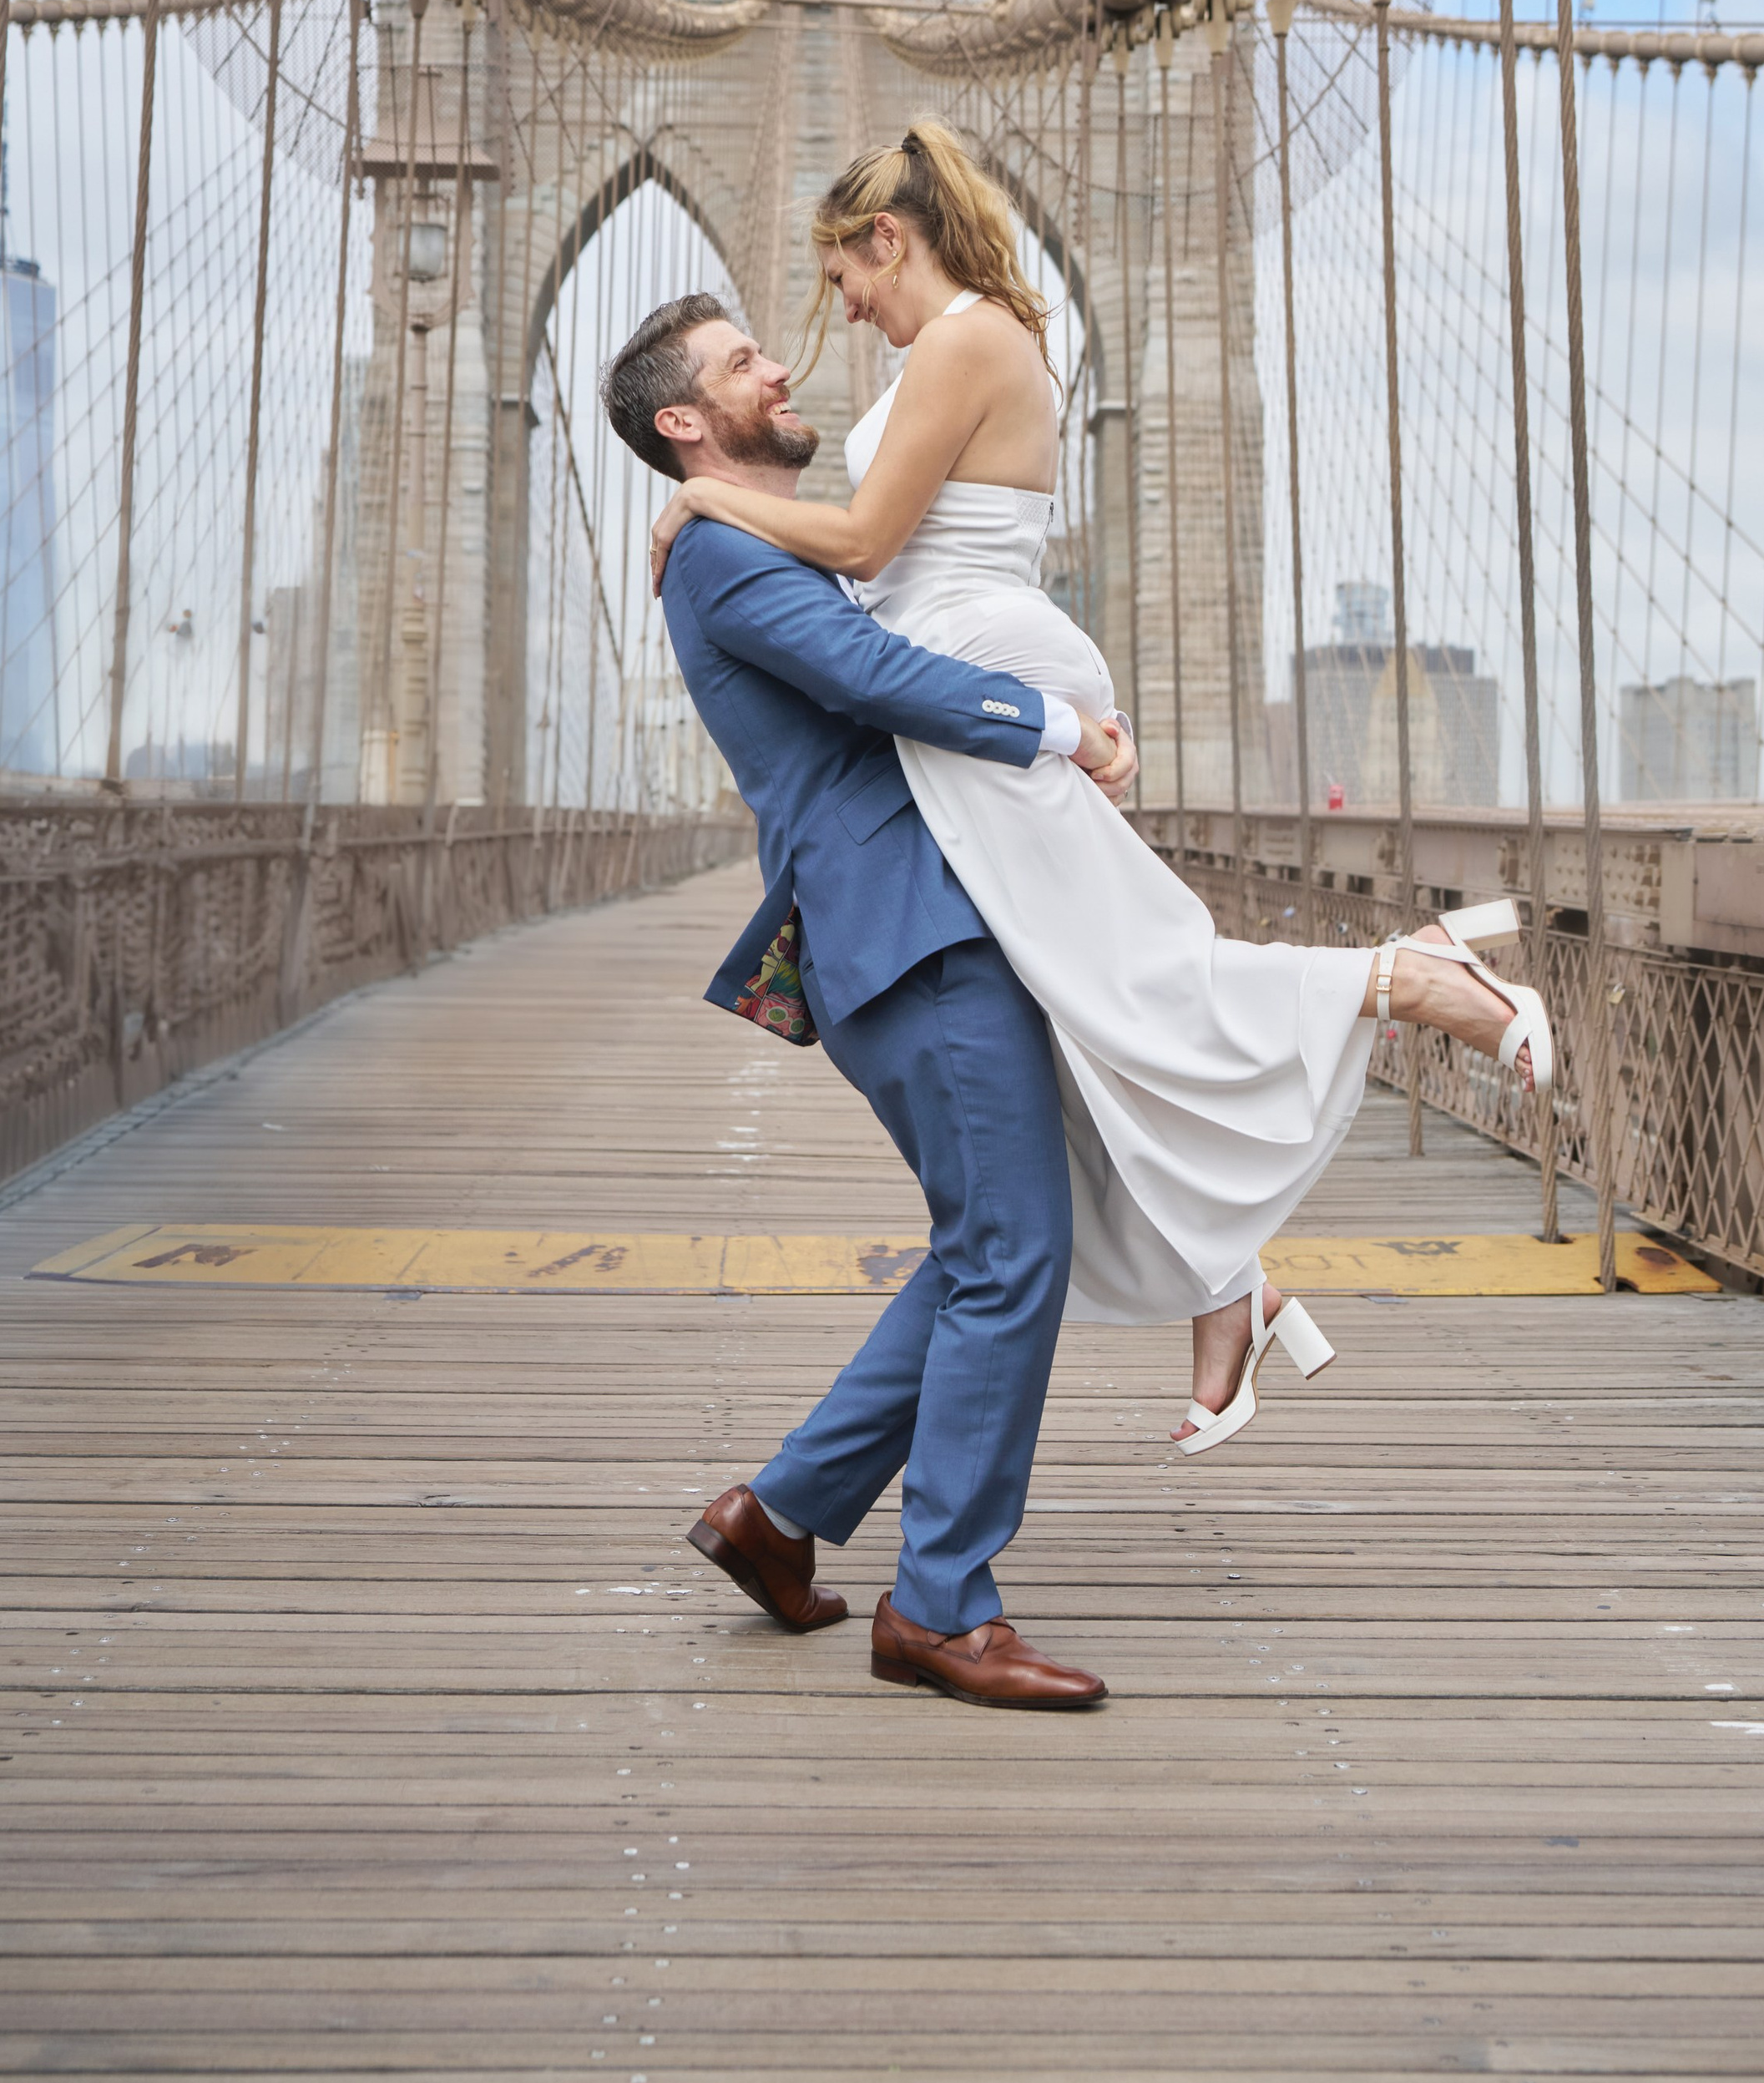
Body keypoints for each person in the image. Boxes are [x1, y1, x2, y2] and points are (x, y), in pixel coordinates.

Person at [644, 124, 1552, 1452]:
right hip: (971, 672)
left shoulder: (959, 344)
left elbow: (862, 543)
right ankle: (1228, 1286)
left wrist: (705, 503)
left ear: (888, 238)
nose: (837, 318)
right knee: (1074, 1012)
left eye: (844, 278)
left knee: (1132, 976)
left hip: (985, 679)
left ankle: (1408, 978)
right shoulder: (961, 343)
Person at [600, 291, 1132, 1709]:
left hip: (917, 921)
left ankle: (780, 1517)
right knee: (1013, 1249)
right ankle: (940, 1609)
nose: (780, 365)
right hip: (907, 929)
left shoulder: (744, 538)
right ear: (685, 422)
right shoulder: (723, 554)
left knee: (990, 1243)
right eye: (742, 362)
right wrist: (1061, 731)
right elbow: (875, 676)